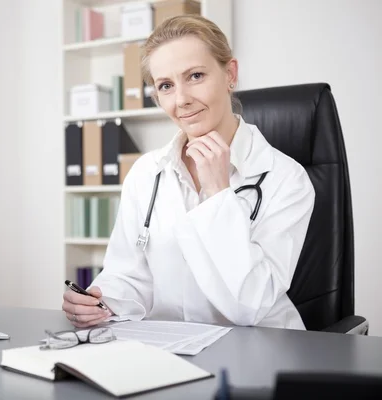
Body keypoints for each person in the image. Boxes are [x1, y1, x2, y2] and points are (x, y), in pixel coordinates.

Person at [61, 15, 315, 330]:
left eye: (195, 76)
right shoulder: (146, 173)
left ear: (230, 74)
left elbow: (253, 305)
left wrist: (219, 194)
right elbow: (128, 276)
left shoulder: (286, 178)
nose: (181, 99)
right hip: (170, 352)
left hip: (256, 352)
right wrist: (100, 301)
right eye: (166, 85)